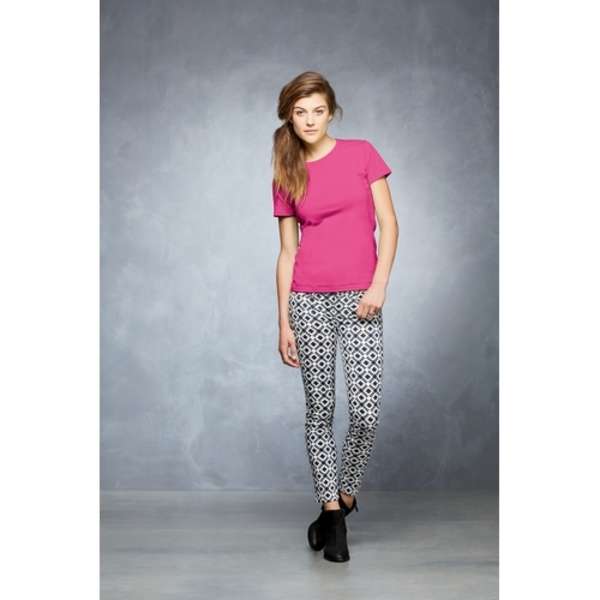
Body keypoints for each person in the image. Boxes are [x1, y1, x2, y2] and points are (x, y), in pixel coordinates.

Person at [271, 71, 399, 562]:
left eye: (318, 111)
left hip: (362, 298)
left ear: (332, 112)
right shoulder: (286, 172)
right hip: (307, 301)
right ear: (289, 116)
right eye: (300, 112)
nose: (309, 120)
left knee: (365, 413)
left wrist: (379, 284)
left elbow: (389, 223)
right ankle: (332, 515)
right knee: (319, 411)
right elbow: (287, 253)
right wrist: (283, 321)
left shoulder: (362, 154)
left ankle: (343, 500)